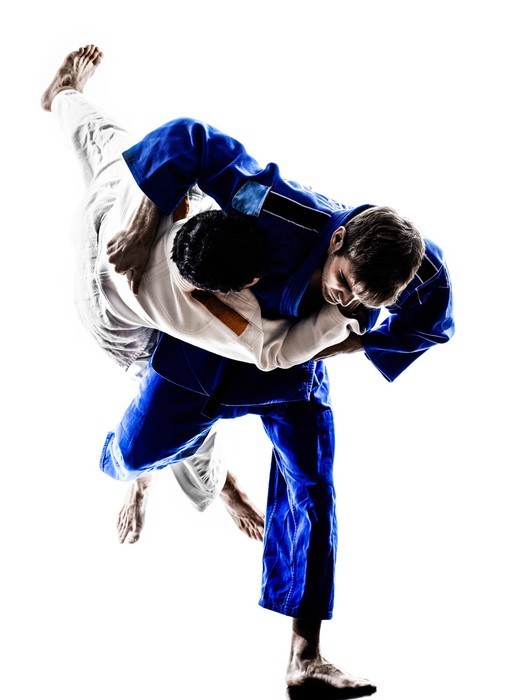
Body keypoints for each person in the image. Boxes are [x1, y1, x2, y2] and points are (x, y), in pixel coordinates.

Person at [42, 45, 453, 697]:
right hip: (203, 355)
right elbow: (192, 139)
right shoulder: (276, 207)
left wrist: (351, 344)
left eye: (365, 300)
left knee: (313, 486)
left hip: (294, 371)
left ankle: (305, 657)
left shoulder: (414, 268)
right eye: (344, 282)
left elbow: (430, 308)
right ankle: (137, 473)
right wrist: (145, 227)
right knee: (138, 452)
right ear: (338, 240)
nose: (347, 300)